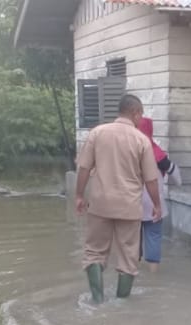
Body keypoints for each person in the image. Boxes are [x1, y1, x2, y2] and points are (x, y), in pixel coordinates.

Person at [74, 94, 162, 304]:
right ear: (136, 113)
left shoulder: (97, 133)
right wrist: (157, 204)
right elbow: (151, 179)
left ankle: (98, 301)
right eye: (141, 115)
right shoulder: (141, 140)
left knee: (94, 252)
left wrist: (79, 195)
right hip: (129, 206)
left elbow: (84, 168)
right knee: (129, 257)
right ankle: (122, 305)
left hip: (100, 204)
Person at [137, 117, 182, 273]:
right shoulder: (157, 153)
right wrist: (179, 183)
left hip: (130, 202)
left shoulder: (127, 149)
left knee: (131, 240)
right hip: (154, 203)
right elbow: (174, 171)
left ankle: (132, 272)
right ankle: (153, 274)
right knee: (154, 237)